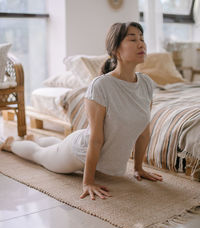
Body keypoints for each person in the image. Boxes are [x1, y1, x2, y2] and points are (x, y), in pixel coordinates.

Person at [1, 21, 163, 201]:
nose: (141, 44)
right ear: (116, 49)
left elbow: (143, 133)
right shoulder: (101, 85)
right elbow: (95, 139)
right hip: (78, 152)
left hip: (87, 143)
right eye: (133, 40)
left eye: (142, 39)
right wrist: (88, 182)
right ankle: (9, 144)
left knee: (54, 146)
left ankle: (37, 139)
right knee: (39, 155)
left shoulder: (146, 83)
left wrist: (138, 168)